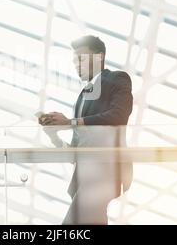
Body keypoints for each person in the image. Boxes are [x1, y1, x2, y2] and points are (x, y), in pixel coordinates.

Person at [38, 35, 133, 224]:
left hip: (104, 170)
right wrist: (54, 137)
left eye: (81, 58)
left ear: (98, 57)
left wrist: (71, 122)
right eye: (74, 60)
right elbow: (74, 152)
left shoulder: (117, 79)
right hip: (85, 176)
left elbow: (119, 116)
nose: (76, 64)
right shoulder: (81, 98)